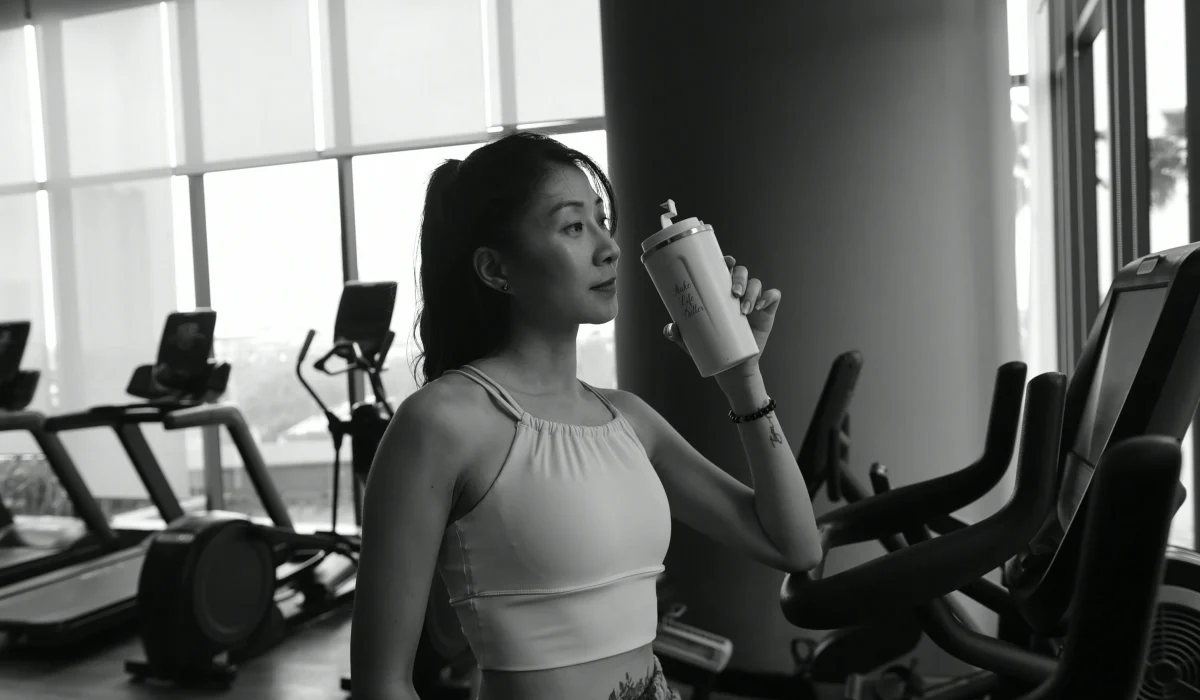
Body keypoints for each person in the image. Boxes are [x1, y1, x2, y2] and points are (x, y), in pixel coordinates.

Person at [351, 131, 823, 700]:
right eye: (574, 226)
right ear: (496, 269)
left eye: (602, 221)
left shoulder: (628, 420)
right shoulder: (442, 423)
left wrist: (741, 374)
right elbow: (382, 686)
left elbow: (795, 547)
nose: (610, 247)